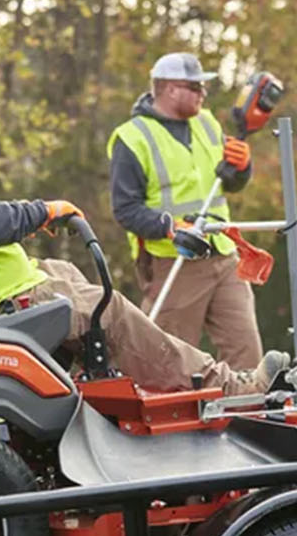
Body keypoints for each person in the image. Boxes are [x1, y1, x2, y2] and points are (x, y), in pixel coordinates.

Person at [0, 60, 295, 397]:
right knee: (109, 308)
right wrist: (40, 211)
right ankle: (229, 389)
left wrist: (241, 170)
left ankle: (112, 382)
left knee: (66, 276)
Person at [105, 51, 263, 369]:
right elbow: (125, 210)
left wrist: (242, 167)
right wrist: (170, 226)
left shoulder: (207, 123)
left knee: (246, 351)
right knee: (167, 360)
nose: (203, 94)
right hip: (175, 262)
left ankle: (245, 414)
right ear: (170, 89)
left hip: (224, 253)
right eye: (195, 87)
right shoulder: (131, 138)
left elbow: (228, 185)